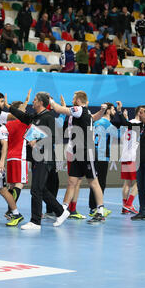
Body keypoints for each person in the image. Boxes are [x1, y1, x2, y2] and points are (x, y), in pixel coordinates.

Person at [8, 92, 70, 230]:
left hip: (45, 157)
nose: (32, 102)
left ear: (41, 102)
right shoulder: (35, 117)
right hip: (37, 157)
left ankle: (35, 221)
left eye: (35, 100)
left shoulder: (48, 117)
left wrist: (38, 141)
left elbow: (53, 137)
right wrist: (8, 106)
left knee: (36, 189)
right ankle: (61, 212)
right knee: (40, 189)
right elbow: (23, 116)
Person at [49, 92, 109, 224]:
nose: (72, 100)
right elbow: (95, 117)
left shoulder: (79, 110)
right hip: (77, 152)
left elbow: (59, 109)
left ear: (78, 100)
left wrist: (50, 101)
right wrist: (102, 110)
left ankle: (100, 211)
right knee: (71, 182)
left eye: (73, 98)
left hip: (87, 152)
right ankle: (63, 210)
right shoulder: (85, 113)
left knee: (93, 182)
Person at [4, 91, 32, 221]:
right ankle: (11, 211)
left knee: (11, 186)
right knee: (19, 184)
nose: (25, 111)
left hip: (9, 157)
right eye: (24, 110)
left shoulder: (7, 125)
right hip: (20, 157)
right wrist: (26, 101)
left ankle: (10, 210)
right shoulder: (24, 123)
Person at [88, 103, 119, 216]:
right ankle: (97, 207)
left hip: (94, 154)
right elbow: (120, 134)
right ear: (108, 111)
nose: (115, 112)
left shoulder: (96, 122)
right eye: (113, 109)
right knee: (101, 183)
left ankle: (93, 207)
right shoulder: (107, 124)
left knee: (94, 182)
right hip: (102, 156)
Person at [118, 106, 142, 214]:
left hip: (125, 155)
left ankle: (124, 206)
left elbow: (123, 139)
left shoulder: (127, 124)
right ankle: (129, 204)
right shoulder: (140, 125)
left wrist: (126, 118)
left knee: (127, 182)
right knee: (139, 182)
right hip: (133, 156)